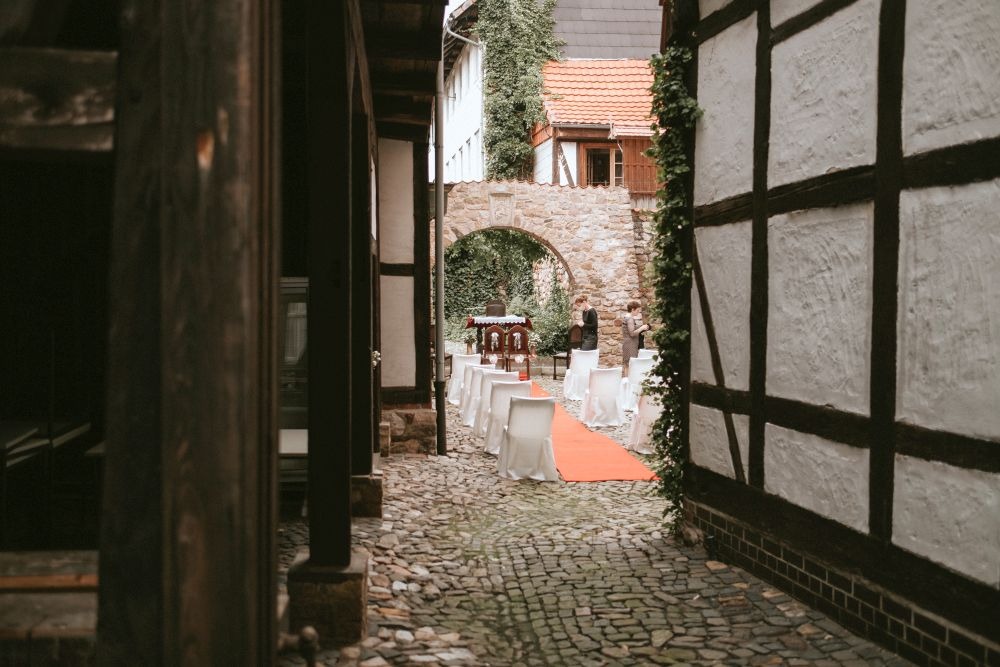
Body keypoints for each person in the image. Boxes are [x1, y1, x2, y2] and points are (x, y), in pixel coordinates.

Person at [621, 300, 650, 368]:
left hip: (627, 343)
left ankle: (626, 378)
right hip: (630, 344)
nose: (638, 312)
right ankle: (629, 378)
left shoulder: (626, 317)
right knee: (630, 365)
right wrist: (642, 328)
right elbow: (632, 333)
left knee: (627, 365)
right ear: (632, 309)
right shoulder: (630, 318)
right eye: (637, 310)